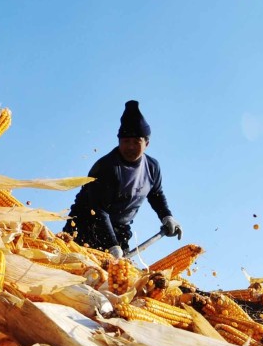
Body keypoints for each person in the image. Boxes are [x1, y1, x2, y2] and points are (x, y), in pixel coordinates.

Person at [65, 100, 182, 258]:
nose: (131, 147)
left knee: (118, 278)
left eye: (136, 142)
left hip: (120, 229)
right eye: (126, 141)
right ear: (119, 141)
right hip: (85, 226)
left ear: (147, 143)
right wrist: (112, 245)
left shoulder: (152, 167)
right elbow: (99, 211)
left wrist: (166, 216)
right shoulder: (106, 167)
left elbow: (155, 193)